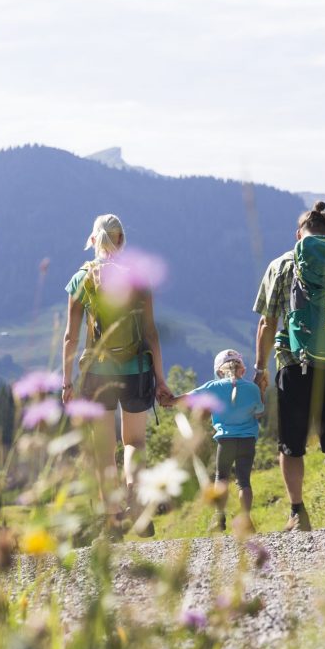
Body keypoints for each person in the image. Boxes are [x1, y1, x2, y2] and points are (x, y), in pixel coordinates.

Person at [252, 201, 325, 531]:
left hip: (293, 363)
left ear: (298, 233)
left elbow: (267, 320)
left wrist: (260, 366)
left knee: (291, 443)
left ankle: (297, 512)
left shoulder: (282, 264)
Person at [62, 214, 171, 537]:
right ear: (122, 240)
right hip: (137, 370)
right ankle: (136, 500)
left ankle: (111, 520)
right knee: (134, 442)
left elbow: (70, 337)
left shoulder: (82, 277)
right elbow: (151, 332)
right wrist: (161, 380)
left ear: (93, 240)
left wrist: (67, 381)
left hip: (96, 373)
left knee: (103, 449)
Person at [169, 349, 264, 534]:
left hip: (225, 441)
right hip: (248, 441)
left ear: (219, 372)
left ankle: (219, 517)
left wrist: (170, 401)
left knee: (222, 477)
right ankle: (245, 519)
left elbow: (190, 397)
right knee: (244, 481)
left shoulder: (213, 386)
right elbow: (259, 411)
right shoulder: (253, 388)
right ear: (242, 370)